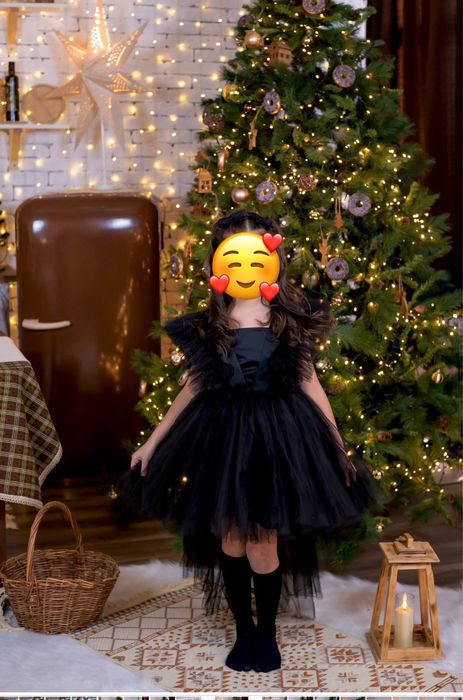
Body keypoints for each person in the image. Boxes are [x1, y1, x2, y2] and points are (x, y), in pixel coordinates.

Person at [130, 210, 380, 674]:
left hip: (276, 438)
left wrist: (335, 443)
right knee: (231, 540)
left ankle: (266, 633)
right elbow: (194, 385)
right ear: (219, 263)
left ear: (271, 260)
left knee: (262, 545)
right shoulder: (212, 322)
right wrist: (153, 442)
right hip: (225, 438)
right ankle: (243, 629)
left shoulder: (286, 318)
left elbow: (309, 382)